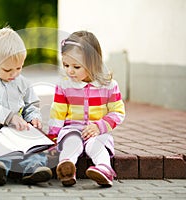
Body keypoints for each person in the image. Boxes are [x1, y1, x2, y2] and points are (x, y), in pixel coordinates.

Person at [0, 26, 52, 186]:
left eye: (19, 68)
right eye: (7, 69)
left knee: (31, 149)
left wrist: (34, 117)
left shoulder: (22, 82)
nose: (13, 74)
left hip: (14, 131)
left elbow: (31, 104)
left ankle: (34, 168)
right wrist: (9, 116)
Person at [48, 31, 125, 187]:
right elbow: (57, 113)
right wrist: (53, 139)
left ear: (93, 63)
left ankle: (104, 169)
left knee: (96, 145)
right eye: (66, 65)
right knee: (71, 142)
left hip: (96, 132)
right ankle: (67, 168)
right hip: (72, 129)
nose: (70, 71)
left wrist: (99, 126)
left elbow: (118, 112)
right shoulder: (64, 85)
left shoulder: (109, 86)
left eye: (76, 66)